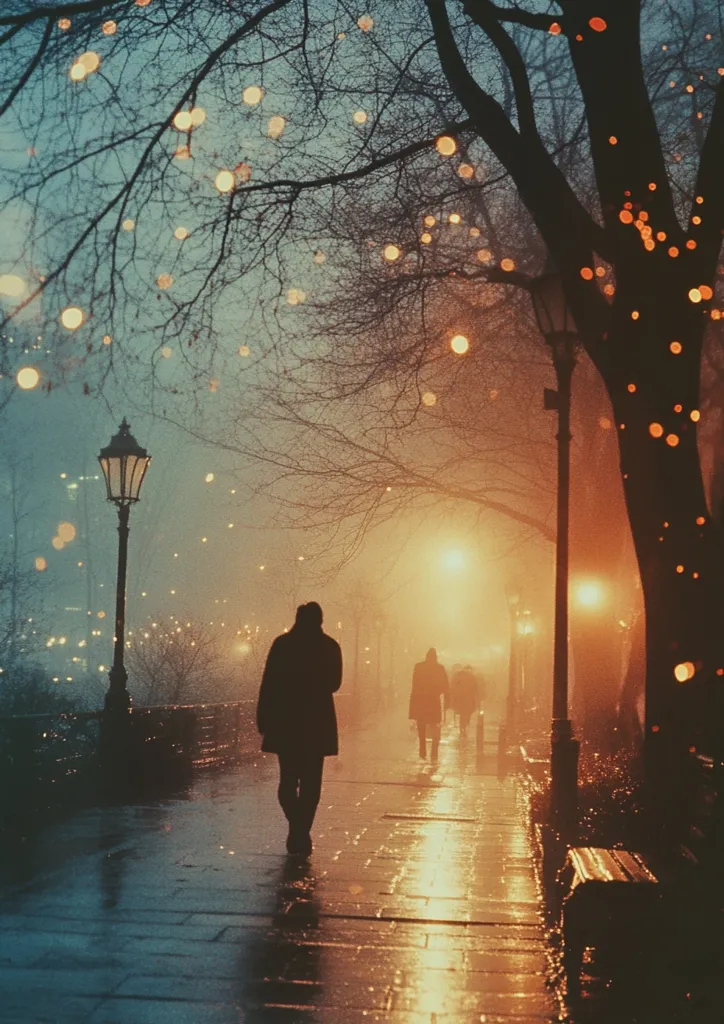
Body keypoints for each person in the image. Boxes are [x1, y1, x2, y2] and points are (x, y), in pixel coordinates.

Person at [257, 602, 342, 857]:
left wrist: (264, 717)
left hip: (286, 721)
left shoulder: (282, 645)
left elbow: (268, 682)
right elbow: (335, 684)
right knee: (311, 783)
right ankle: (301, 830)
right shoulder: (329, 646)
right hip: (317, 722)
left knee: (287, 781)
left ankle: (296, 826)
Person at [409, 648, 449, 761]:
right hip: (433, 701)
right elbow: (445, 686)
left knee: (421, 725)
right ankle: (434, 752)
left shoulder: (419, 667)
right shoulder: (440, 668)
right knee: (435, 726)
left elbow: (414, 684)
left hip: (421, 700)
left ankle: (422, 749)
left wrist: (415, 699)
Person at [451, 665, 479, 737]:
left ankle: (462, 727)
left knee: (462, 714)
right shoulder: (472, 677)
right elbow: (475, 689)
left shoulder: (458, 676)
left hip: (460, 699)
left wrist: (454, 698)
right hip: (469, 699)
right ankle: (466, 725)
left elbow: (453, 686)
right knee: (467, 713)